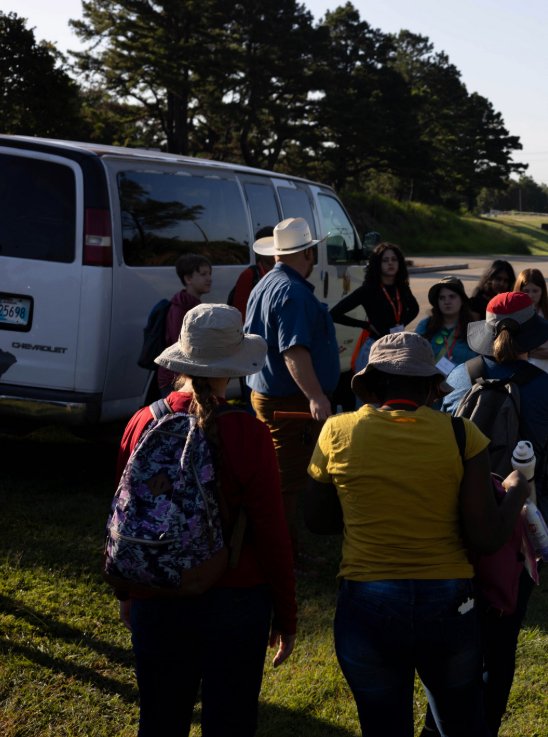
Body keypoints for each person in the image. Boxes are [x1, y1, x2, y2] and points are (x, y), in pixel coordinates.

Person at [305, 332, 530, 736]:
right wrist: (517, 490)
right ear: (430, 387)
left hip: (367, 602)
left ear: (371, 387)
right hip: (448, 603)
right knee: (460, 724)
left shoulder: (337, 431)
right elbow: (487, 537)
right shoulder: (462, 435)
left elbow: (317, 521)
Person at [117, 304, 297, 736]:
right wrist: (286, 615)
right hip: (235, 600)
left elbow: (125, 513)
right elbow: (272, 532)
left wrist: (128, 590)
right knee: (229, 723)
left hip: (155, 593)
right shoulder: (249, 432)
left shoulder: (143, 420)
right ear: (232, 364)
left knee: (159, 720)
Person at [440, 292, 548, 735]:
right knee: (502, 635)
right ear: (531, 334)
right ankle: (487, 725)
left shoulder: (459, 376)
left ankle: (445, 722)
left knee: (458, 632)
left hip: (460, 520)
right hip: (522, 526)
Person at [244, 217, 340, 578]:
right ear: (309, 253)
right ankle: (283, 558)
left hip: (272, 395)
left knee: (280, 479)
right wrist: (315, 395)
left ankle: (284, 550)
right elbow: (293, 350)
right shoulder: (294, 292)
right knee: (285, 484)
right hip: (288, 402)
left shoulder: (268, 282)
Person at [330, 242, 420, 375]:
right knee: (369, 389)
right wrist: (365, 325)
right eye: (385, 260)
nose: (390, 263)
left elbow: (414, 309)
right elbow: (334, 313)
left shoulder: (401, 287)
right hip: (374, 350)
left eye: (394, 259)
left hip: (398, 348)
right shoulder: (369, 289)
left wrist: (399, 325)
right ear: (377, 264)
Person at [229, 232, 276, 413]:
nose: (273, 250)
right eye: (267, 245)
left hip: (272, 346)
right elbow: (239, 313)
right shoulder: (249, 275)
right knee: (253, 399)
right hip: (252, 347)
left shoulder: (279, 273)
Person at [158, 253, 212, 397]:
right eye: (203, 274)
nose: (209, 279)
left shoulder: (191, 304)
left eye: (210, 274)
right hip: (176, 378)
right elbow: (183, 346)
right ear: (188, 279)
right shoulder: (182, 307)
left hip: (184, 375)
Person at [413, 275, 479, 372]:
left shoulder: (474, 329)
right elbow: (411, 357)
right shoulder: (425, 325)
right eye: (442, 298)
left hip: (463, 381)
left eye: (452, 297)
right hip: (431, 381)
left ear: (462, 301)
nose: (447, 302)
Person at [515, 268, 548, 374]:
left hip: (545, 374)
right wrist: (542, 345)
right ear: (519, 291)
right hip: (518, 373)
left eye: (535, 291)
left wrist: (524, 349)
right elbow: (509, 348)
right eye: (526, 291)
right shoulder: (513, 314)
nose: (531, 295)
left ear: (542, 291)